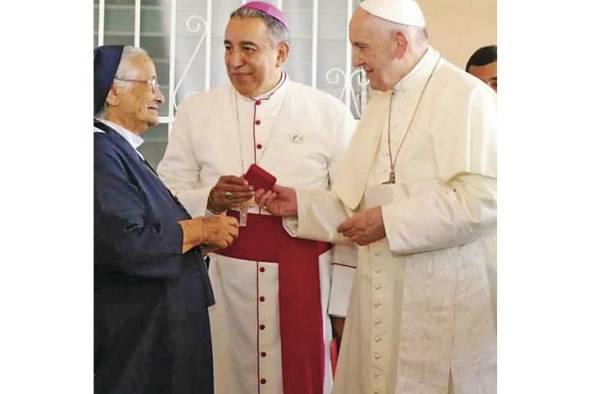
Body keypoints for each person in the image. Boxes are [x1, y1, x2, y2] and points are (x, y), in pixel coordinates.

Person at [257, 0, 497, 393]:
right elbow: (356, 204)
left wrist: (389, 221)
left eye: (361, 47)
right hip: (380, 297)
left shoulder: (468, 97)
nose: (355, 61)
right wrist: (300, 203)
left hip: (443, 301)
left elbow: (486, 200)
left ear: (399, 43)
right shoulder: (381, 100)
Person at [156, 2, 357, 393]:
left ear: (281, 53)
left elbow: (354, 205)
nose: (234, 61)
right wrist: (210, 201)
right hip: (223, 280)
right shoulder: (197, 111)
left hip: (306, 279)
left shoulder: (329, 113)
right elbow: (166, 193)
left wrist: (300, 203)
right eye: (228, 48)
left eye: (248, 49)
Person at [94, 45, 239, 394]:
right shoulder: (98, 152)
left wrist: (199, 238)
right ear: (113, 92)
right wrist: (201, 228)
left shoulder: (120, 149)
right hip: (139, 342)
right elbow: (127, 244)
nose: (159, 95)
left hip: (159, 335)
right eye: (151, 83)